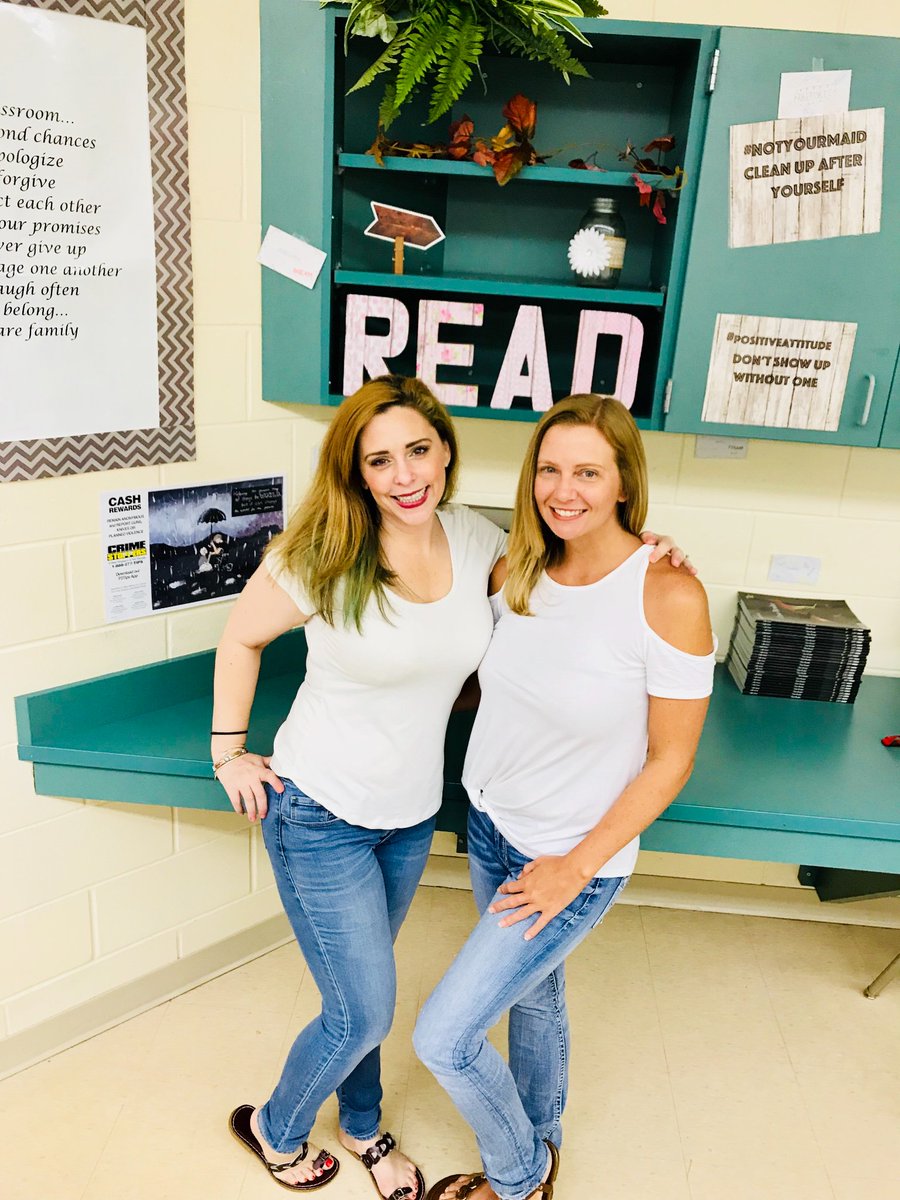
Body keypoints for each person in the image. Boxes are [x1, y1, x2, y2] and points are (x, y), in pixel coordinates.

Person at [212, 377, 687, 1197]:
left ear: (445, 453)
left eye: (419, 451)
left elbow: (572, 575)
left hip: (409, 818)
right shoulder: (321, 550)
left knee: (366, 994)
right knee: (362, 1010)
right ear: (356, 471)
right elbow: (240, 638)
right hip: (319, 810)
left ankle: (363, 1127)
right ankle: (276, 1128)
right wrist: (228, 752)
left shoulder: (477, 541)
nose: (404, 475)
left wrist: (647, 550)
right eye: (380, 460)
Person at [413, 394, 716, 1200]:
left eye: (588, 472)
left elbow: (672, 760)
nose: (563, 489)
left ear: (624, 483)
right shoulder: (517, 570)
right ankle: (543, 1141)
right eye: (549, 469)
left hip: (569, 857)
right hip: (492, 827)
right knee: (536, 994)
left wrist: (572, 870)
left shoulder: (667, 594)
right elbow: (490, 684)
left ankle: (519, 1177)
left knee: (443, 1038)